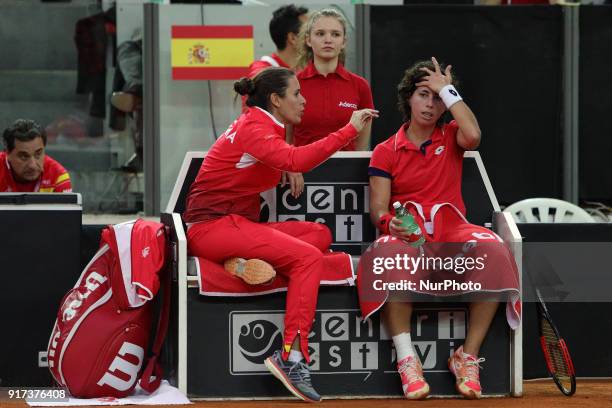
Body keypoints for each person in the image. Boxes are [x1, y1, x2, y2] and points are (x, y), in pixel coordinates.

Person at [184, 67, 378, 403]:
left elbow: (278, 158)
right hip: (211, 228)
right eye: (297, 94)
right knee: (307, 258)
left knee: (318, 235)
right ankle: (292, 356)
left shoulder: (262, 124)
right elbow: (295, 157)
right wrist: (348, 130)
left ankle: (239, 263)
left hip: (235, 226)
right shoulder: (255, 126)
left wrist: (286, 165)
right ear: (276, 100)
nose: (303, 101)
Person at [358, 57, 519, 399]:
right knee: (387, 253)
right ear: (408, 99)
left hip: (452, 230)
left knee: (492, 247)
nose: (430, 104)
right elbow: (378, 210)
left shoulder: (451, 135)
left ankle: (467, 356)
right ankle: (408, 360)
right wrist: (392, 225)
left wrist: (449, 90)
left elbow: (473, 134)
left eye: (437, 97)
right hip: (412, 235)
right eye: (422, 94)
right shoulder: (385, 150)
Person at [291, 8, 374, 151]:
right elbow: (285, 139)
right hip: (302, 171)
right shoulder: (292, 84)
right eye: (320, 34)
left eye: (335, 34)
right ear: (308, 40)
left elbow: (361, 147)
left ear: (343, 42)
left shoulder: (360, 86)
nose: (328, 40)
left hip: (346, 171)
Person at [1, 119, 72, 193]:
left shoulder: (57, 176)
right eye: (24, 157)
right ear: (7, 153)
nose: (32, 165)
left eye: (38, 154)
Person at [247, 4, 308, 77]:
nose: (315, 36)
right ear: (293, 38)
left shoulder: (312, 67)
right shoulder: (262, 70)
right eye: (308, 31)